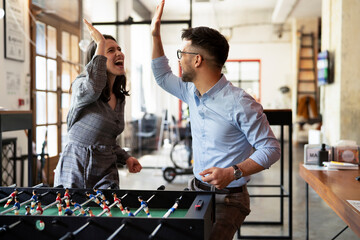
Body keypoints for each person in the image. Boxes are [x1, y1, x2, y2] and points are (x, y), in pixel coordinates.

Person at [150, 1, 281, 239]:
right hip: (196, 188)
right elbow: (161, 75)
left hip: (229, 196)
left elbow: (271, 148)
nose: (179, 60)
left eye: (182, 54)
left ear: (197, 60)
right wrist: (155, 34)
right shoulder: (191, 92)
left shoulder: (240, 102)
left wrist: (233, 172)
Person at [54, 19, 142, 189]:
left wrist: (126, 158)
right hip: (76, 171)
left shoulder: (120, 97)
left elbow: (105, 142)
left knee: (108, 214)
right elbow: (93, 87)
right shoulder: (81, 85)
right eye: (111, 50)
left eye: (119, 49)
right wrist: (100, 42)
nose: (119, 53)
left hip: (106, 174)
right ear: (98, 59)